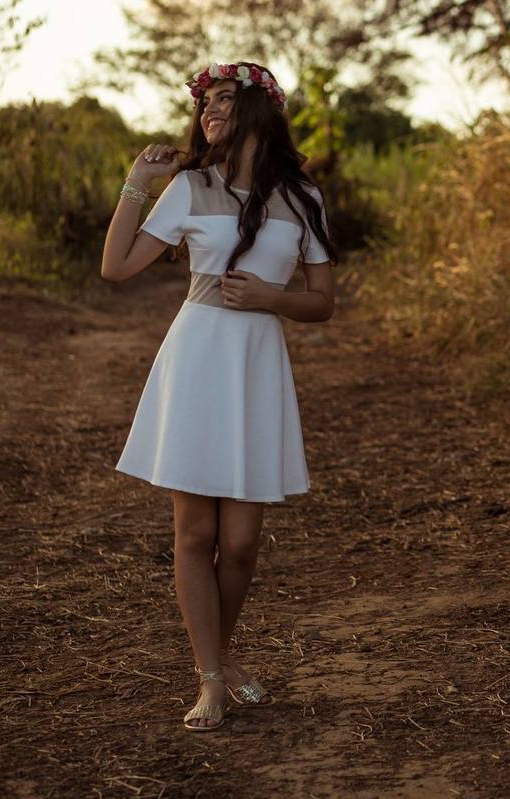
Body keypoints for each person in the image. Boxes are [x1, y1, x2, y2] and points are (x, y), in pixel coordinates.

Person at [99, 61, 339, 732]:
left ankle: (222, 656)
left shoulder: (302, 197)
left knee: (240, 543)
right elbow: (115, 268)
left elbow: (322, 303)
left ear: (261, 110)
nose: (210, 110)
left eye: (224, 99)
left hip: (256, 362)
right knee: (195, 532)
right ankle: (211, 679)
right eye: (205, 102)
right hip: (197, 358)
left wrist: (272, 299)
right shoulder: (189, 187)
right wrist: (137, 185)